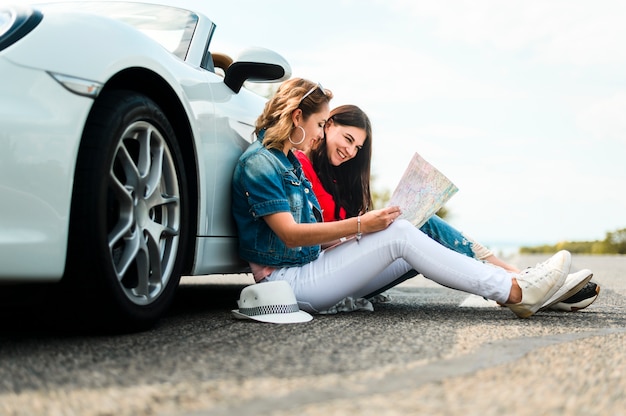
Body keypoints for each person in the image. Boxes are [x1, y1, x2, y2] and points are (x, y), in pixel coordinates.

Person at [231, 77, 574, 319]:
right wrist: (363, 224)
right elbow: (290, 235)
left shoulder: (288, 162)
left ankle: (515, 283)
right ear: (296, 118)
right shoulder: (261, 163)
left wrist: (366, 230)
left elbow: (314, 239)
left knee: (406, 228)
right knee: (400, 234)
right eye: (321, 124)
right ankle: (516, 290)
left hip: (309, 268)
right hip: (286, 283)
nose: (321, 133)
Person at [296, 104, 599, 311]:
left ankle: (525, 282)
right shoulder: (300, 166)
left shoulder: (339, 179)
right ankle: (519, 281)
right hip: (324, 274)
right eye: (347, 139)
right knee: (408, 229)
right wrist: (359, 230)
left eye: (357, 147)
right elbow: (305, 239)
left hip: (346, 268)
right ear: (328, 125)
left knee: (419, 223)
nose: (350, 151)